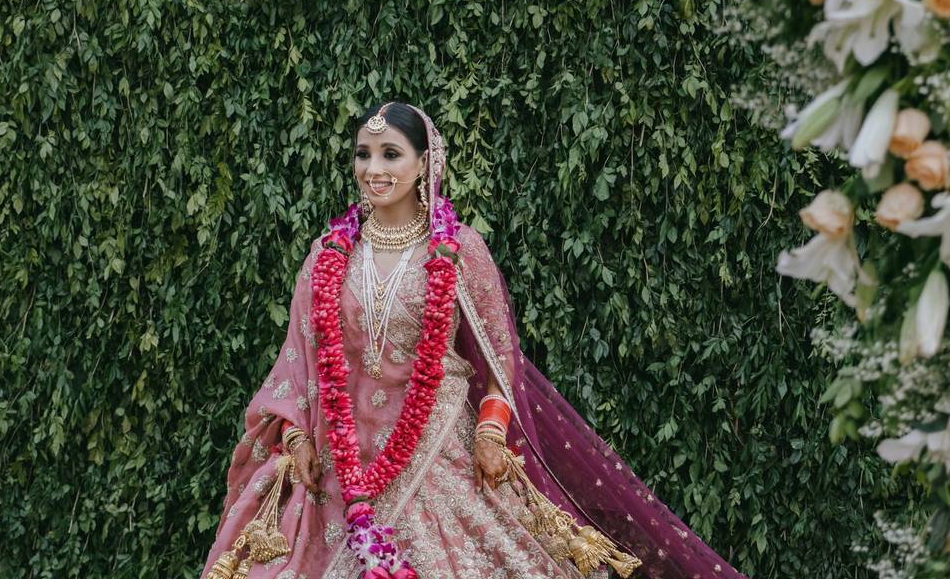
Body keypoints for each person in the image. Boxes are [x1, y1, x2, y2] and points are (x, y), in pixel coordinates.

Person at [199, 102, 748, 579]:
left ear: (424, 163)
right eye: (364, 154)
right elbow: (296, 364)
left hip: (436, 445)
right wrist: (296, 441)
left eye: (391, 154)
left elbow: (498, 355)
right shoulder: (327, 254)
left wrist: (490, 431)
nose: (373, 168)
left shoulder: (459, 249)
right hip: (340, 462)